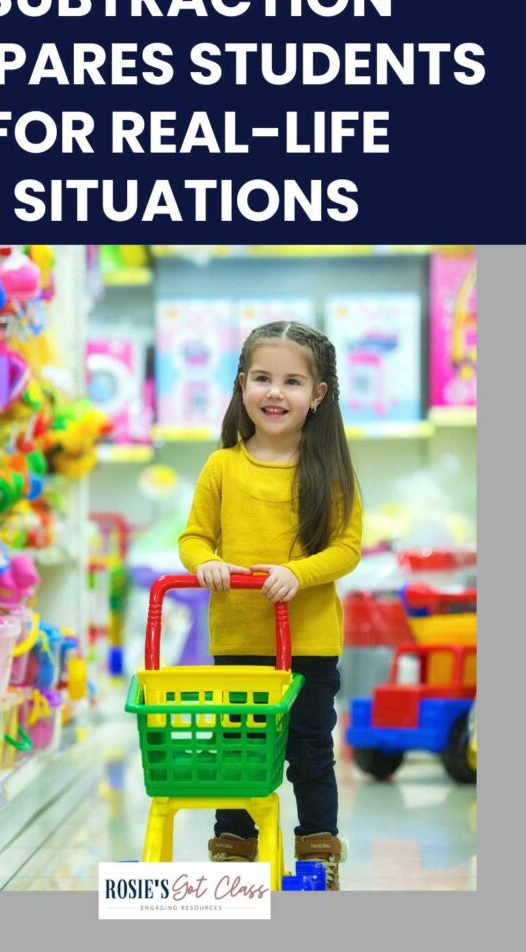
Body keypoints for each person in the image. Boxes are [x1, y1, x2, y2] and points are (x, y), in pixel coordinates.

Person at [178, 321, 362, 891]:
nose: (275, 393)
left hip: (308, 645)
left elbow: (346, 548)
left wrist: (295, 573)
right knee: (237, 752)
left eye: (292, 381)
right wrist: (204, 562)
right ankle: (234, 855)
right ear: (241, 386)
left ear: (319, 395)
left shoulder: (328, 469)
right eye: (262, 378)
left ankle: (317, 854)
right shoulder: (222, 466)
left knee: (309, 753)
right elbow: (193, 538)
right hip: (238, 643)